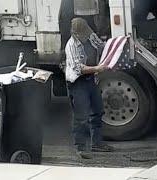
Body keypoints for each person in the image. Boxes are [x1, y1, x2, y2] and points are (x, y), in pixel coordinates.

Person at [65, 17, 114, 159]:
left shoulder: (90, 36)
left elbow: (102, 46)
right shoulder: (71, 45)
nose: (88, 36)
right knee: (81, 116)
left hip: (92, 80)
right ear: (76, 34)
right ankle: (81, 148)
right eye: (84, 34)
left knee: (97, 111)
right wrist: (97, 68)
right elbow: (78, 68)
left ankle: (96, 143)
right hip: (78, 82)